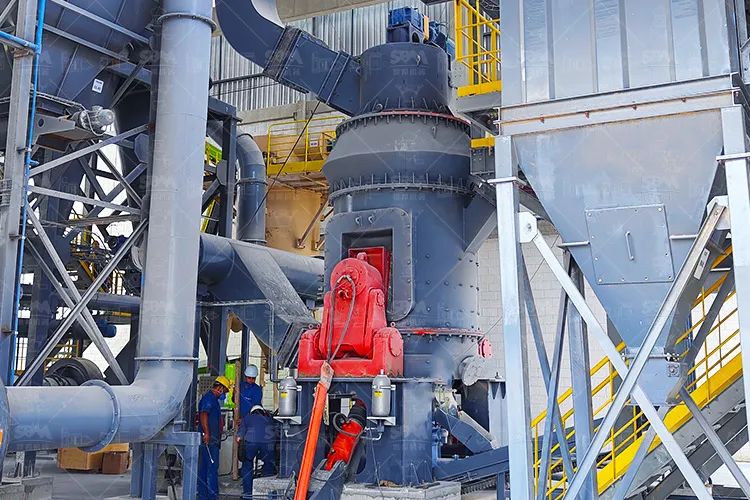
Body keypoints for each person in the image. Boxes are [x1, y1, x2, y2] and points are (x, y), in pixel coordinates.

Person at [197, 375, 232, 500]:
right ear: (220, 388)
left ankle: (203, 496)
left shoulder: (212, 400)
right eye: (225, 391)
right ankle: (211, 496)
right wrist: (207, 433)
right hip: (209, 441)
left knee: (204, 468)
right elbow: (203, 414)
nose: (225, 394)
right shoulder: (209, 399)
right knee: (210, 469)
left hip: (211, 440)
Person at [236, 404, 277, 499]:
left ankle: (247, 494)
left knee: (247, 466)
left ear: (252, 412)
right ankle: (268, 494)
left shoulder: (247, 418)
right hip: (267, 444)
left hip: (250, 443)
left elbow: (238, 438)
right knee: (268, 466)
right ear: (263, 412)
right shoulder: (269, 419)